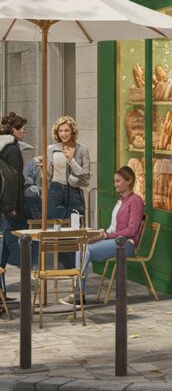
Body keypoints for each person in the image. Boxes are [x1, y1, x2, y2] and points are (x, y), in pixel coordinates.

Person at [64, 166, 144, 303]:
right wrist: (100, 234)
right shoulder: (121, 201)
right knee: (82, 247)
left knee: (86, 250)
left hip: (126, 244)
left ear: (129, 181)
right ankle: (78, 292)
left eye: (118, 181)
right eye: (115, 181)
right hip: (115, 241)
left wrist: (105, 236)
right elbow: (114, 228)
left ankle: (78, 295)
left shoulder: (135, 200)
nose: (115, 185)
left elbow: (132, 230)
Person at [0, 112, 28, 298]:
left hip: (3, 203)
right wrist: (15, 206)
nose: (24, 132)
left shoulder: (3, 147)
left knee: (3, 248)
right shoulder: (13, 150)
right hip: (9, 207)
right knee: (7, 248)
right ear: (14, 131)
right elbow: (15, 181)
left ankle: (1, 292)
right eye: (23, 130)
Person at [46, 116, 91, 221]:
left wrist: (71, 160)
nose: (63, 134)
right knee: (53, 225)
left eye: (67, 130)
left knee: (75, 224)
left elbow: (85, 176)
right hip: (55, 190)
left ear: (73, 132)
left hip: (74, 191)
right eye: (60, 131)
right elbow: (48, 175)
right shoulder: (52, 149)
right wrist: (42, 167)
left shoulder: (82, 150)